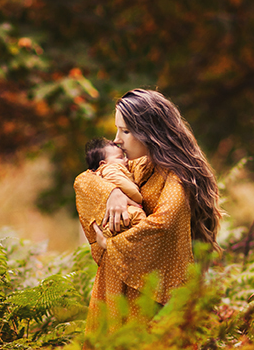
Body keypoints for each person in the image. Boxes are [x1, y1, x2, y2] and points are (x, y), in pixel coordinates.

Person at [74, 89, 222, 328]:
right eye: (117, 129)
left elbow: (162, 226)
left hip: (148, 297)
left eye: (126, 131)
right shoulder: (135, 165)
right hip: (114, 286)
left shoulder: (176, 178)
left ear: (150, 131)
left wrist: (108, 244)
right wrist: (112, 193)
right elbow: (84, 180)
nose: (116, 139)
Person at [83, 138, 146, 238]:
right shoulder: (110, 170)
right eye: (120, 157)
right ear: (103, 163)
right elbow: (127, 187)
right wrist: (139, 198)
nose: (126, 160)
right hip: (127, 210)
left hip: (115, 215)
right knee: (141, 222)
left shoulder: (101, 174)